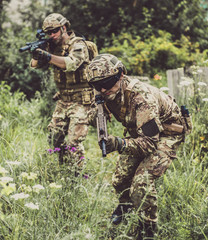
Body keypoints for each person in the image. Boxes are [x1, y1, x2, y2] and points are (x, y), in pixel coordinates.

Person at [86, 54, 191, 239]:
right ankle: (126, 206)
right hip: (141, 133)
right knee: (120, 180)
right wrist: (96, 112)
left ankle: (147, 229)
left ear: (120, 75)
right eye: (96, 85)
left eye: (107, 82)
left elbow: (150, 145)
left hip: (167, 134)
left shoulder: (141, 98)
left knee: (141, 183)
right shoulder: (104, 91)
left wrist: (118, 143)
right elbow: (94, 112)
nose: (102, 89)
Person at [30, 13, 96, 173]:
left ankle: (77, 177)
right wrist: (37, 53)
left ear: (64, 28)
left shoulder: (78, 44)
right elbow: (34, 65)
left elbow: (72, 64)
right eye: (48, 33)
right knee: (54, 137)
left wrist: (47, 56)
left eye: (54, 31)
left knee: (74, 141)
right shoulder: (52, 47)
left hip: (82, 99)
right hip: (63, 100)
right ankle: (64, 168)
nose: (51, 35)